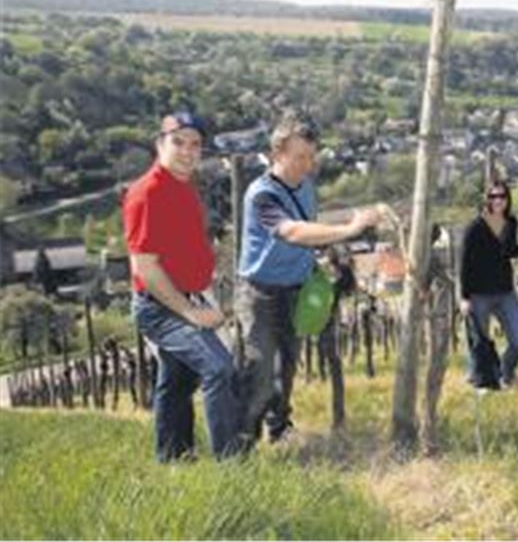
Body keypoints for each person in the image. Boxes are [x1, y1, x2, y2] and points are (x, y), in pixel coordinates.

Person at [235, 114, 382, 446]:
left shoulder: (306, 188)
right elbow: (293, 231)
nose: (307, 164)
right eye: (299, 156)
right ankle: (242, 440)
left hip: (296, 289)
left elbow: (312, 231)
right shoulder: (262, 196)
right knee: (258, 370)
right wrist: (349, 228)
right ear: (277, 154)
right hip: (259, 293)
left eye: (311, 156)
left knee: (287, 364)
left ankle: (280, 431)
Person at [123, 110, 242, 461]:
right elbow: (145, 266)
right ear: (160, 144)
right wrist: (191, 312)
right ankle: (232, 467)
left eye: (196, 145)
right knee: (219, 368)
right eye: (179, 142)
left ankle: (175, 460)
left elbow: (181, 242)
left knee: (176, 383)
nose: (188, 151)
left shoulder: (184, 185)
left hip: (188, 295)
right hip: (162, 306)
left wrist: (209, 259)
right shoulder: (146, 193)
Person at [460, 180, 518, 389]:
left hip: (504, 291)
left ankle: (505, 372)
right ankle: (480, 382)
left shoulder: (511, 223)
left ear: (508, 198)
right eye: (493, 196)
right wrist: (464, 297)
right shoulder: (475, 227)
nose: (498, 200)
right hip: (479, 293)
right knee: (478, 342)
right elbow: (465, 263)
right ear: (487, 200)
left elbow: (508, 252)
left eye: (502, 196)